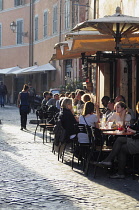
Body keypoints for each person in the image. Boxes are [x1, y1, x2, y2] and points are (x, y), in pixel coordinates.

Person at [99, 101, 139, 179]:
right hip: (135, 139)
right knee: (121, 148)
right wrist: (130, 128)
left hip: (137, 141)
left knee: (120, 139)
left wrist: (134, 132)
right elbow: (134, 126)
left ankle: (109, 160)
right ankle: (120, 172)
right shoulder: (115, 114)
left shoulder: (128, 116)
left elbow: (135, 130)